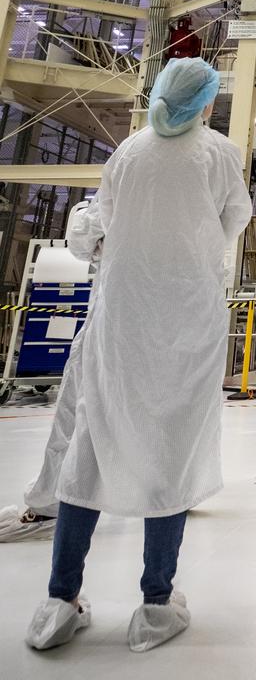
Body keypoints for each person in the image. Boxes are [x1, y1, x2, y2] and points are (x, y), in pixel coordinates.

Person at [25, 57, 252, 654]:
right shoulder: (219, 154)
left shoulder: (128, 152)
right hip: (186, 320)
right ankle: (155, 604)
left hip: (120, 322)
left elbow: (98, 225)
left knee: (92, 449)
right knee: (168, 454)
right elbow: (233, 222)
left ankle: (59, 598)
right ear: (207, 101)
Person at [0, 199, 105, 543]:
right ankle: (170, 500)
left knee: (74, 417)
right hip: (162, 329)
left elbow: (81, 237)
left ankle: (48, 504)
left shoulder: (127, 174)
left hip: (109, 326)